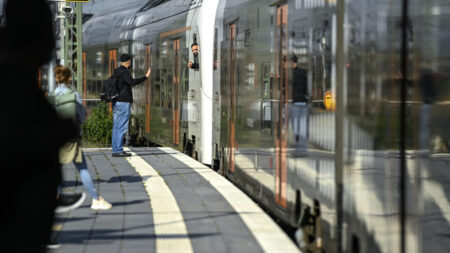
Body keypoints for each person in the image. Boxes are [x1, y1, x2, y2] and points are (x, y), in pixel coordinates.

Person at [0, 0, 78, 251]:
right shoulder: (14, 86)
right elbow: (16, 144)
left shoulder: (19, 81)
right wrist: (55, 132)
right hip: (17, 229)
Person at [52, 65, 112, 210]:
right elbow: (81, 116)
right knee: (83, 169)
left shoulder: (52, 95)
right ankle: (96, 199)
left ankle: (56, 199)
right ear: (69, 79)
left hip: (55, 138)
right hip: (71, 139)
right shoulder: (73, 95)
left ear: (56, 78)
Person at [112, 54, 151, 157]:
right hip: (124, 102)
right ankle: (118, 150)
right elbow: (132, 82)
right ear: (128, 62)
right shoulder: (125, 72)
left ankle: (116, 149)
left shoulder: (117, 71)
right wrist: (145, 77)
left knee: (116, 126)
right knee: (121, 127)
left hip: (116, 102)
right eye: (130, 62)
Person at [290, 55, 309, 150]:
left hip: (296, 101)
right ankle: (302, 145)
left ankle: (297, 144)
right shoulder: (304, 73)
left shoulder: (293, 74)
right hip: (304, 102)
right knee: (302, 125)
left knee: (295, 125)